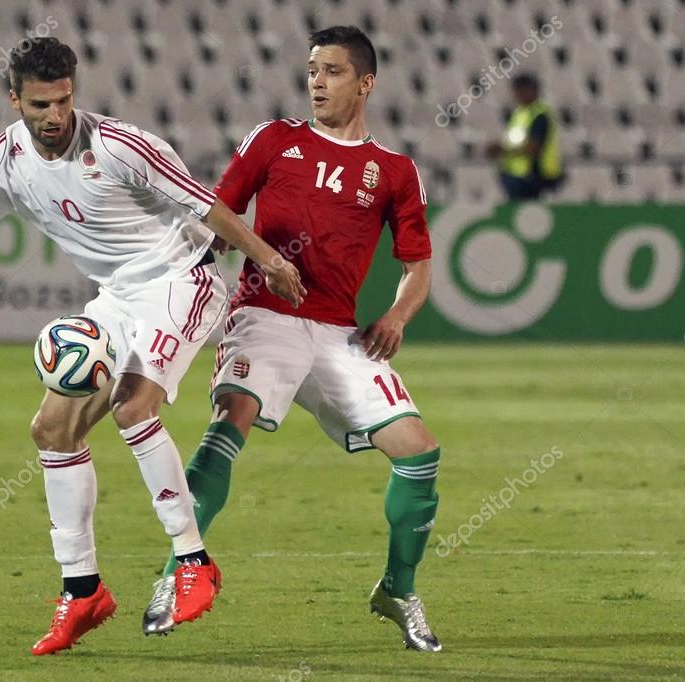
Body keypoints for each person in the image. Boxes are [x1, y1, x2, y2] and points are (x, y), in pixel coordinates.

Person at [0, 37, 305, 656]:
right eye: (41, 103)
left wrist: (268, 259)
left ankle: (193, 561)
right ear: (14, 98)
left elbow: (207, 206)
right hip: (117, 297)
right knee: (51, 429)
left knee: (132, 405)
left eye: (64, 100)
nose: (55, 116)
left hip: (183, 278)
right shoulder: (5, 162)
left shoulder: (122, 144)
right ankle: (84, 590)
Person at [141, 26, 443, 652]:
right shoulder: (276, 140)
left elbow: (418, 267)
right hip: (265, 314)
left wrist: (395, 319)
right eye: (311, 69)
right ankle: (179, 573)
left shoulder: (394, 171)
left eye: (331, 71)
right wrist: (187, 270)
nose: (316, 81)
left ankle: (397, 589)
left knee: (419, 452)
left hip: (340, 334)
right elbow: (218, 214)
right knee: (231, 421)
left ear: (365, 83)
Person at [486, 72, 564, 200]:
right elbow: (515, 141)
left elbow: (533, 148)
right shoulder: (520, 114)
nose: (519, 94)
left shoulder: (540, 115)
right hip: (521, 173)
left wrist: (502, 149)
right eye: (517, 90)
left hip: (538, 175)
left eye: (523, 90)